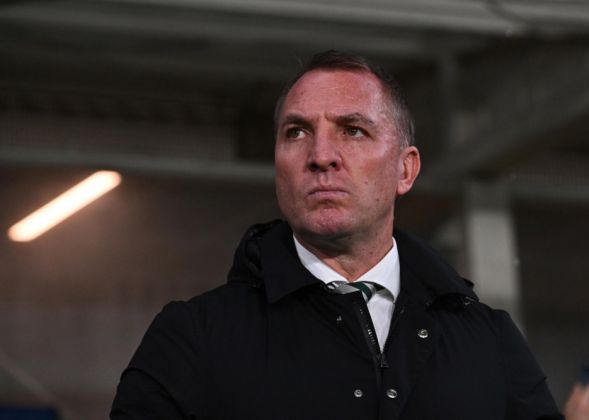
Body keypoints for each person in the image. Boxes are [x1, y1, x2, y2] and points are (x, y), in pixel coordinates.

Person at [111, 50, 564, 419]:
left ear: (405, 169)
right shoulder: (194, 339)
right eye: (297, 132)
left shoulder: (489, 342)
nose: (321, 155)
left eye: (352, 130)